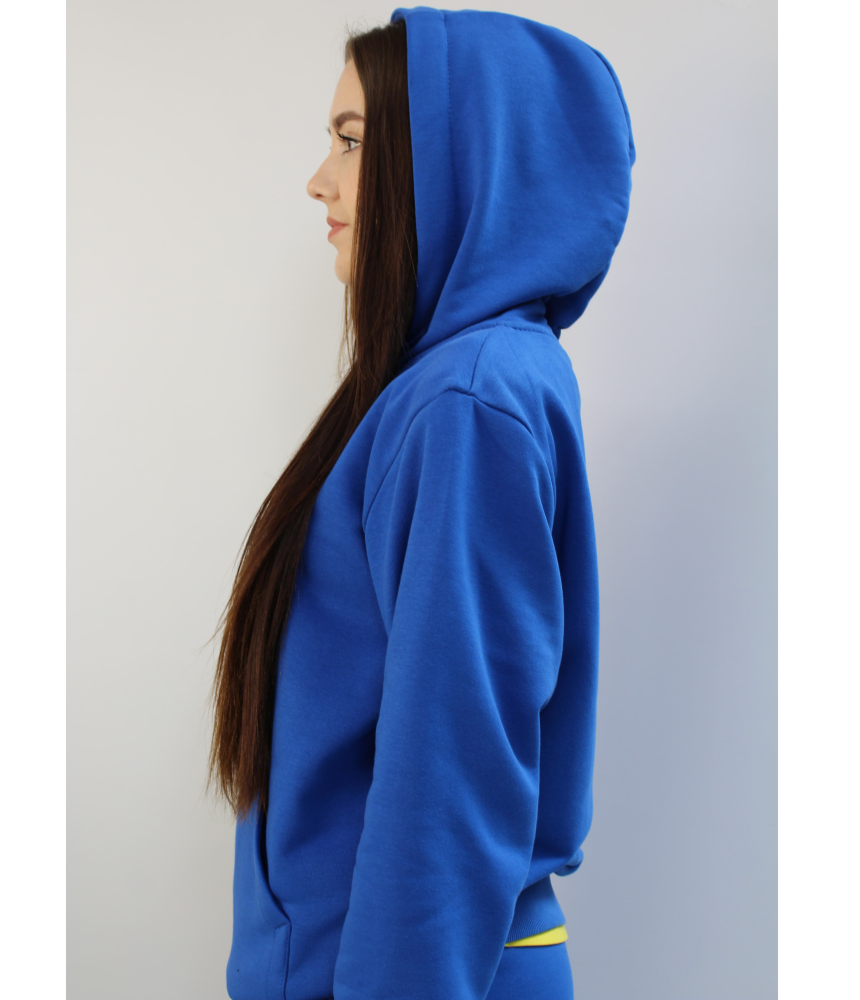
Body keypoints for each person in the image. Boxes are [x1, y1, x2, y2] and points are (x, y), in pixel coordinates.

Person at [209, 7, 634, 999]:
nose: (319, 180)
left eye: (352, 141)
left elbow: (447, 777)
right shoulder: (460, 385)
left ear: (459, 159)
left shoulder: (465, 403)